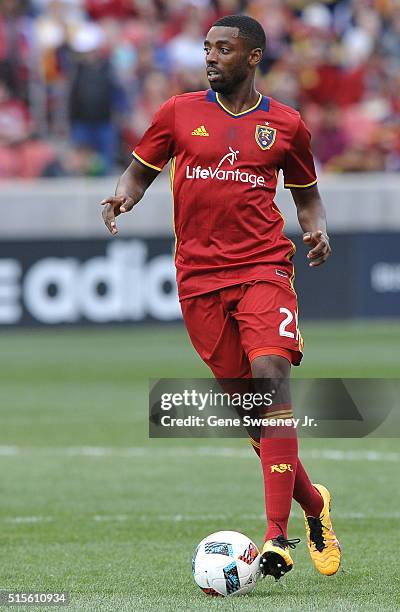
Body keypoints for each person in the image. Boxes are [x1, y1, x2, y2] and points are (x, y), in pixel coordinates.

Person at [100, 14, 341, 581]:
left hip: (263, 267)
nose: (210, 57)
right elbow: (139, 172)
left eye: (223, 49)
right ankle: (314, 504)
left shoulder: (286, 125)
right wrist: (122, 198)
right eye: (207, 48)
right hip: (199, 280)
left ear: (252, 57)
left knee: (271, 376)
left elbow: (307, 197)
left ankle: (276, 537)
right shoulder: (178, 113)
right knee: (255, 419)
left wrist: (317, 228)